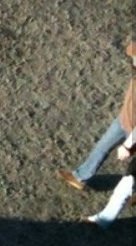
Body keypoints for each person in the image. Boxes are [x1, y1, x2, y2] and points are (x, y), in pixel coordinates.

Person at [58, 37, 135, 193]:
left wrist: (128, 146)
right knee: (102, 146)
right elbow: (130, 49)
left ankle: (131, 193)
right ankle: (80, 176)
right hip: (123, 119)